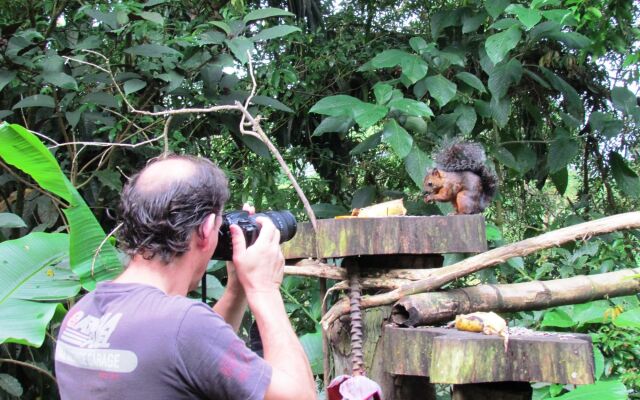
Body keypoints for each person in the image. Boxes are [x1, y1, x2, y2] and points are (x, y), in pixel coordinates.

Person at [54, 155, 316, 400]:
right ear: (204, 229)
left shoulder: (80, 315)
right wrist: (264, 289)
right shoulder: (183, 326)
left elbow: (188, 356)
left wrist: (236, 290)